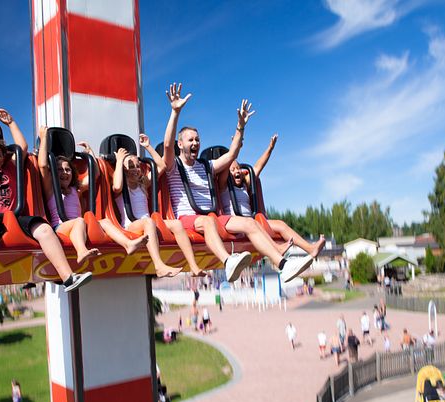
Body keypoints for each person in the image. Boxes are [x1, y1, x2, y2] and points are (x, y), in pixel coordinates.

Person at [162, 82, 312, 283]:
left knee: (250, 223)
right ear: (180, 144)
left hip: (213, 217)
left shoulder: (207, 166)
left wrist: (240, 126)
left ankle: (283, 265)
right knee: (207, 221)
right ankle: (227, 261)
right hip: (187, 218)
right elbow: (166, 144)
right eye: (190, 140)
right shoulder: (173, 165)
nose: (196, 143)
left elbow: (232, 153)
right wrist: (175, 112)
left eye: (198, 139)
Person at [0, 103, 90, 292]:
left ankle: (68, 277)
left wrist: (11, 123)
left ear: (4, 157)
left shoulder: (9, 168)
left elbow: (22, 147)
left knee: (44, 229)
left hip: (15, 217)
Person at [37, 126, 150, 263]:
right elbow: (43, 166)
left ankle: (128, 244)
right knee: (79, 220)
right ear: (54, 173)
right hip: (60, 227)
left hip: (79, 226)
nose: (64, 173)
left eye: (68, 170)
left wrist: (90, 152)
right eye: (60, 170)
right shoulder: (51, 189)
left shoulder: (75, 189)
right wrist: (44, 139)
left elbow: (94, 175)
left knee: (105, 222)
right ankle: (81, 251)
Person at [112, 134, 210, 278]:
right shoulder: (122, 187)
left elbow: (162, 166)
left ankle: (194, 266)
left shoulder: (143, 184)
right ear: (124, 170)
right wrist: (119, 161)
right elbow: (116, 186)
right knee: (149, 221)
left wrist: (147, 147)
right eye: (131, 166)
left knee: (176, 224)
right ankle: (159, 266)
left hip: (148, 225)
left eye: (137, 166)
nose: (135, 169)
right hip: (131, 226)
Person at [216, 133, 326, 258]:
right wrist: (236, 147)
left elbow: (257, 167)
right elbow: (228, 160)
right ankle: (277, 249)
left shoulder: (245, 184)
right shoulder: (223, 185)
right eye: (233, 170)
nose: (237, 171)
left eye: (238, 168)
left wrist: (270, 148)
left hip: (252, 222)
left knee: (280, 224)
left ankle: (310, 248)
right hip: (237, 223)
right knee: (253, 224)